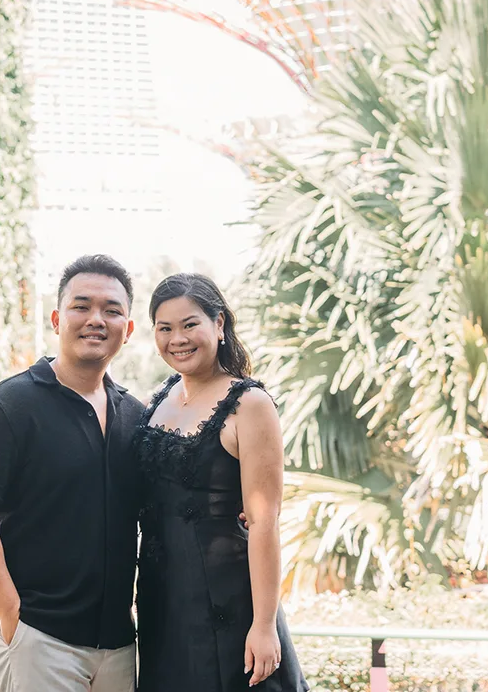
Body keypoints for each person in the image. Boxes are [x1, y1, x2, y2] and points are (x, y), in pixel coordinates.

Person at [0, 254, 145, 692]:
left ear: (127, 330)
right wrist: (11, 614)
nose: (96, 319)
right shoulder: (6, 406)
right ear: (57, 318)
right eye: (82, 306)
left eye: (112, 310)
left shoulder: (136, 415)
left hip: (118, 642)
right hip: (38, 636)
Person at [134, 273, 307, 691]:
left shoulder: (249, 404)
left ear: (219, 325)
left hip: (228, 603)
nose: (178, 338)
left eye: (190, 324)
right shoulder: (158, 399)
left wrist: (264, 625)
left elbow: (265, 520)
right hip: (162, 599)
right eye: (165, 328)